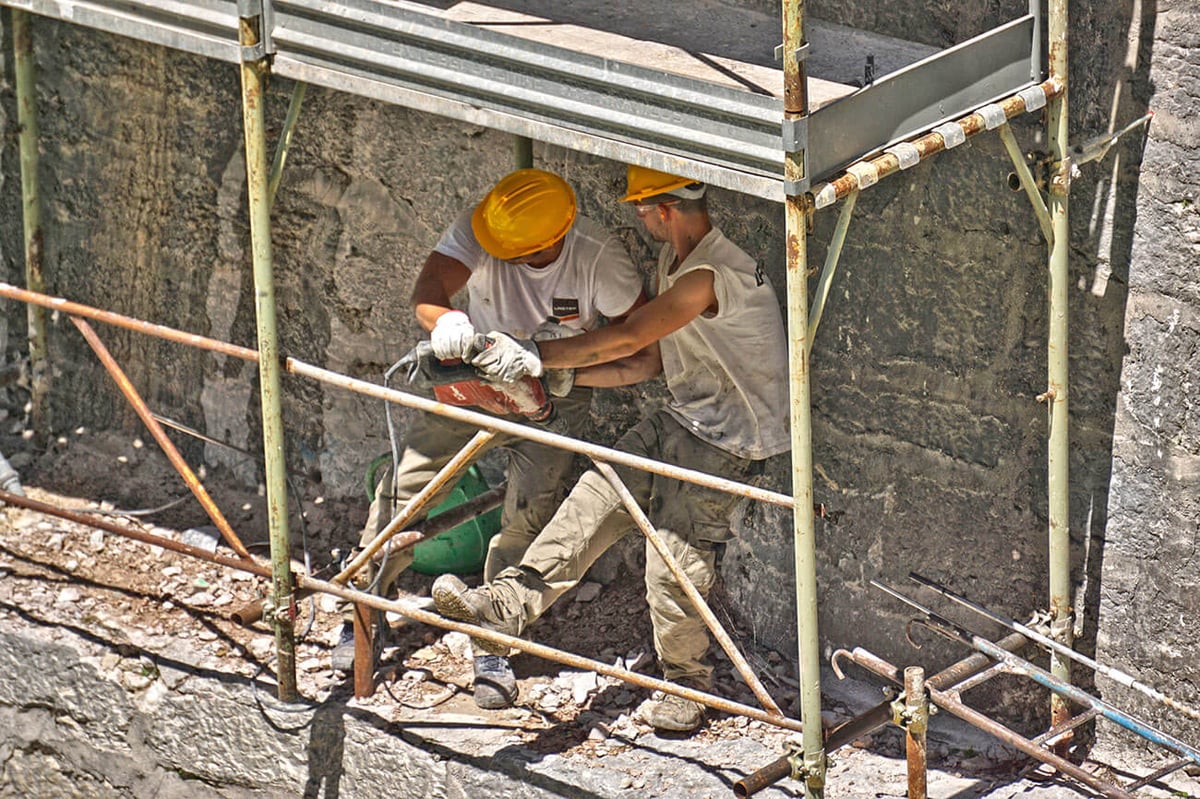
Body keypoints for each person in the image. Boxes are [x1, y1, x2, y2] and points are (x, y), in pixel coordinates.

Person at [431, 165, 790, 732]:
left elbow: (629, 337)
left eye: (642, 210)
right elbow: (645, 362)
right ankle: (504, 607)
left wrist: (536, 354)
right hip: (685, 416)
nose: (640, 220)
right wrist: (557, 376)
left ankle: (688, 685)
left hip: (728, 435)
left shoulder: (710, 275)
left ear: (664, 210)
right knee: (589, 503)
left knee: (671, 563)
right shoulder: (679, 264)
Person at [333, 168, 648, 712]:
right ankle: (362, 610)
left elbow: (637, 343)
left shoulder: (600, 258)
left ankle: (492, 641)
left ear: (556, 238)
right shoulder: (487, 227)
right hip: (472, 373)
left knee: (526, 515)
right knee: (405, 490)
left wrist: (550, 363)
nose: (501, 256)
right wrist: (446, 319)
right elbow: (428, 290)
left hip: (553, 390)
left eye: (517, 252)